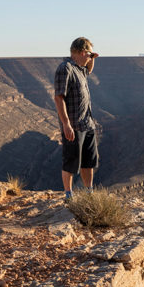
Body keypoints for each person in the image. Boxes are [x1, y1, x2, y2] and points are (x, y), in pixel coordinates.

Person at [54, 37, 99, 199]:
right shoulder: (65, 68)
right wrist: (66, 124)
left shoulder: (80, 69)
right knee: (71, 162)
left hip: (87, 123)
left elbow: (89, 70)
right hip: (74, 125)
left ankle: (89, 192)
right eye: (88, 54)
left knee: (88, 162)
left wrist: (91, 57)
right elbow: (59, 97)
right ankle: (68, 195)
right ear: (81, 52)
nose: (89, 57)